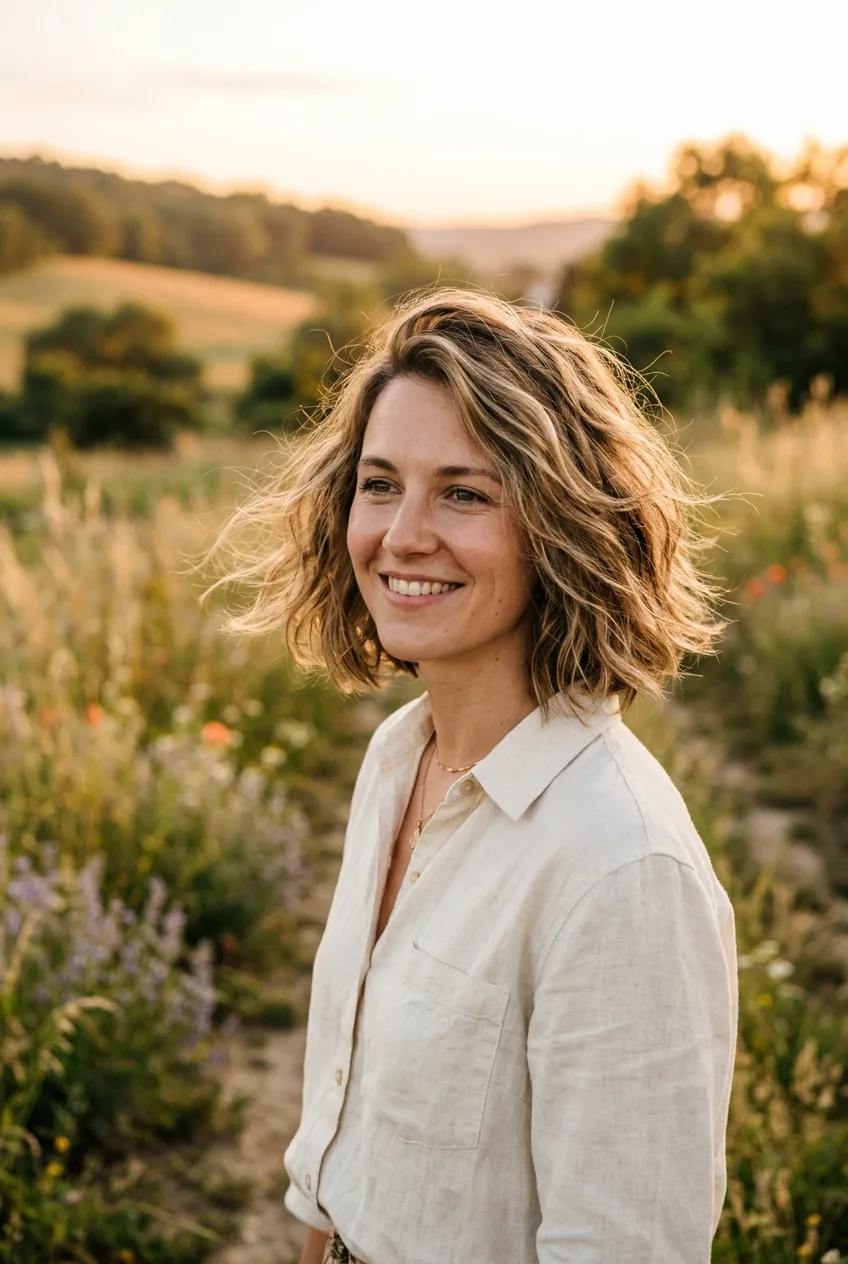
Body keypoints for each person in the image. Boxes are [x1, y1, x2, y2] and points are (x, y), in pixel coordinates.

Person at [208, 288, 738, 1263]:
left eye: (464, 491)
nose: (401, 534)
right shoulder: (394, 758)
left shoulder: (621, 871)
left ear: (564, 524)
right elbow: (351, 1132)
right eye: (379, 483)